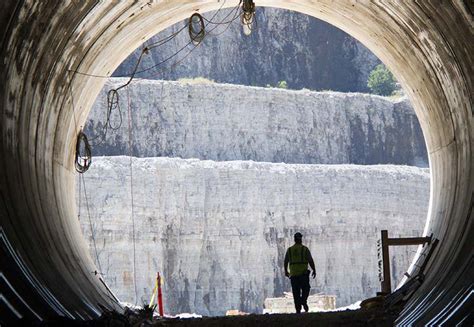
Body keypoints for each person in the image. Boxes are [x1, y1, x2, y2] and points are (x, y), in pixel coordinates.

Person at [284, 232, 316, 313]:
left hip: (293, 275)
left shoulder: (290, 250)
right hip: (303, 274)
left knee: (296, 292)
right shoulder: (304, 249)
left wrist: (286, 271)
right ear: (301, 239)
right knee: (306, 289)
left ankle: (298, 310)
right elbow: (310, 260)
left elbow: (286, 261)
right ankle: (303, 301)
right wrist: (314, 270)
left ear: (294, 239)